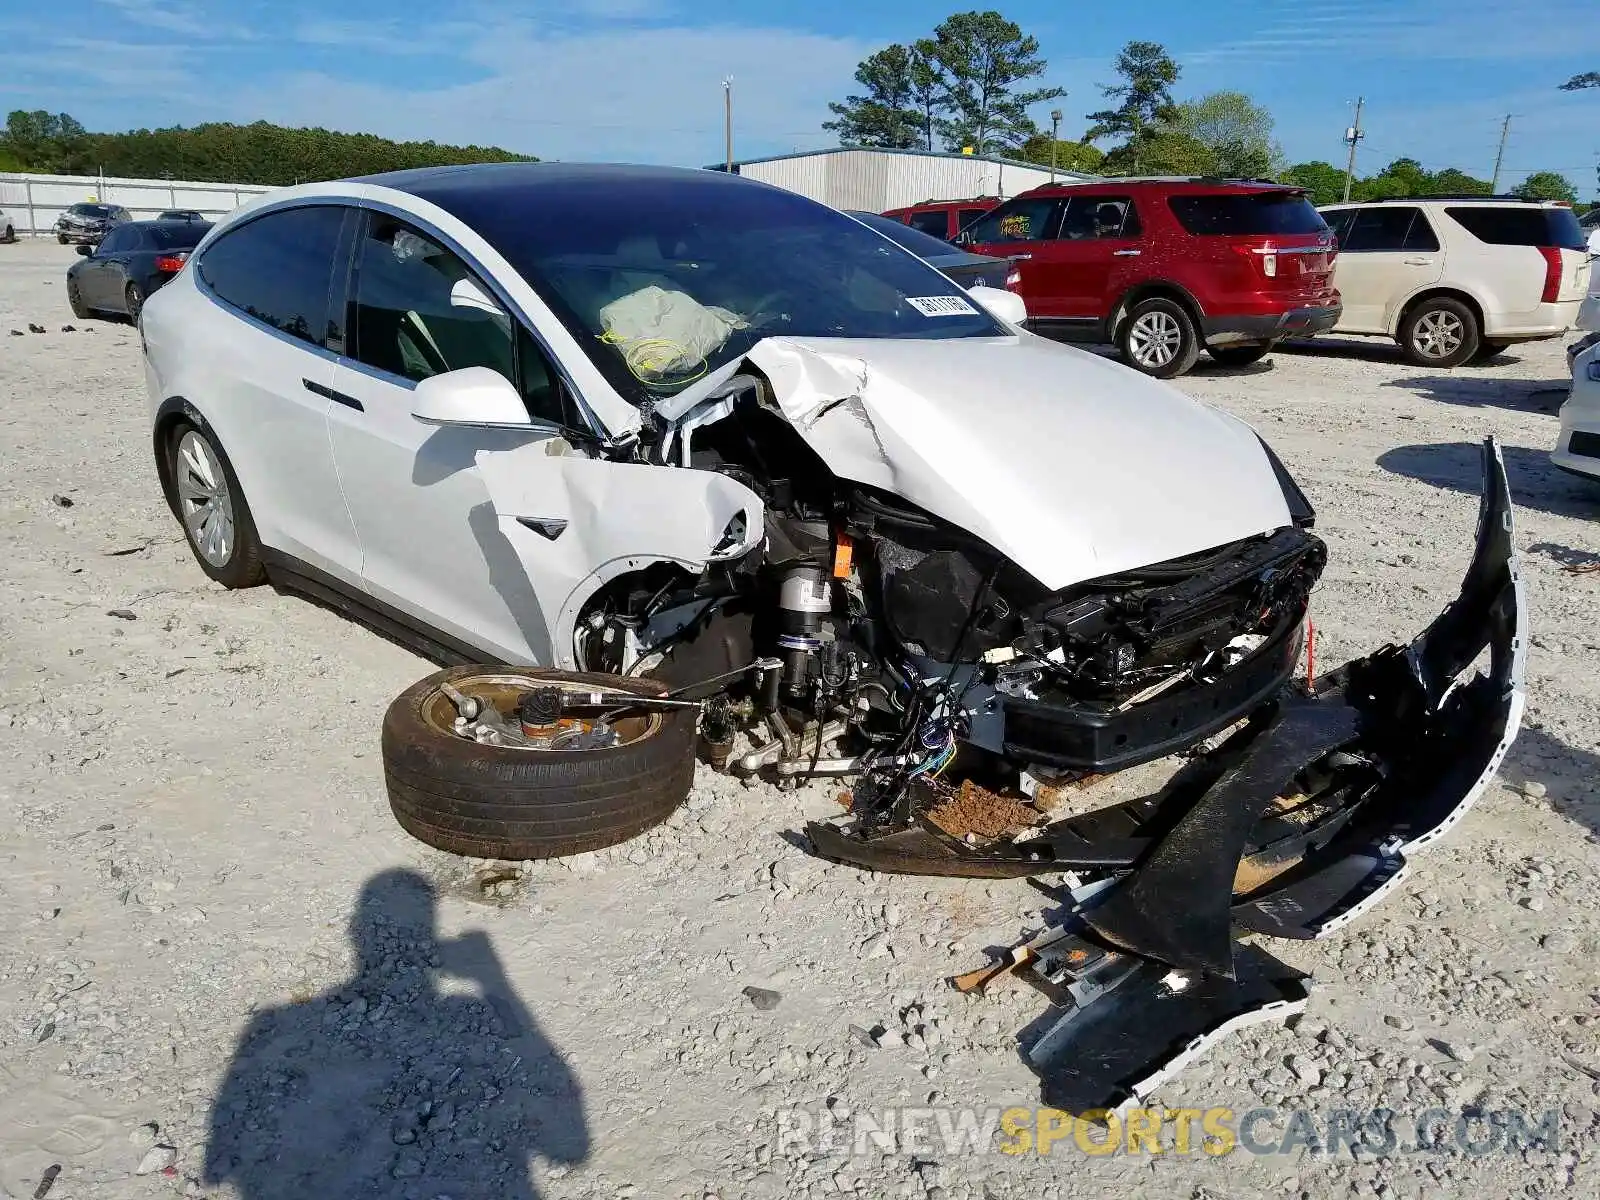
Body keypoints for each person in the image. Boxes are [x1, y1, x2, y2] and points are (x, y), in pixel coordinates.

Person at [204, 869, 587, 1198]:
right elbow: (568, 1145)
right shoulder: (468, 1013)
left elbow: (220, 1162)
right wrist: (492, 977)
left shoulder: (277, 1024)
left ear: (354, 933)